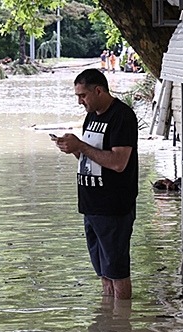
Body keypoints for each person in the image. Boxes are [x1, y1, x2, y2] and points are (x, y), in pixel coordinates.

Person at [54, 69, 139, 299]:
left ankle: (122, 324)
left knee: (117, 270)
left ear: (98, 90)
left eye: (83, 95)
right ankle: (109, 322)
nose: (80, 101)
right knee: (103, 271)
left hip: (114, 206)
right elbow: (91, 158)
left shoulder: (122, 116)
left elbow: (119, 162)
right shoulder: (91, 115)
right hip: (91, 205)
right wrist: (73, 149)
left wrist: (81, 146)